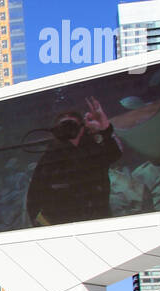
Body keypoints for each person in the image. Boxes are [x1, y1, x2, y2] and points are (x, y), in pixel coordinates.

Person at [26, 97, 123, 227]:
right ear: (57, 132)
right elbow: (34, 199)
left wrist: (104, 128)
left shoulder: (93, 152)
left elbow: (115, 154)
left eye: (71, 125)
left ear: (82, 128)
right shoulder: (49, 160)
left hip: (98, 222)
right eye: (63, 127)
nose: (67, 130)